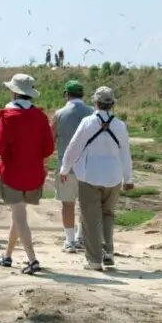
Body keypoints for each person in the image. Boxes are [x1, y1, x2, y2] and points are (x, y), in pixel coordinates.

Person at [59, 86, 134, 272]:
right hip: (114, 177)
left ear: (95, 102)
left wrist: (65, 168)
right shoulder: (120, 125)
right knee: (108, 214)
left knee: (90, 218)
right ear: (113, 104)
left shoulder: (87, 122)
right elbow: (125, 152)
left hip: (89, 175)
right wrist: (128, 178)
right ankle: (108, 252)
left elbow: (73, 147)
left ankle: (94, 260)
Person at [0, 73, 54, 275]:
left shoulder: (7, 116)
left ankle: (32, 259)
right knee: (18, 216)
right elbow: (48, 148)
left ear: (14, 92)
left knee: (19, 216)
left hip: (12, 172)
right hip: (34, 174)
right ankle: (7, 255)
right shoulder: (41, 116)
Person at [51, 80, 94, 253]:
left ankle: (69, 241)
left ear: (66, 95)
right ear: (82, 95)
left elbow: (50, 138)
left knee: (67, 204)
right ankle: (81, 238)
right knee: (85, 204)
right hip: (89, 166)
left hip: (65, 166)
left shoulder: (59, 114)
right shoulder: (92, 112)